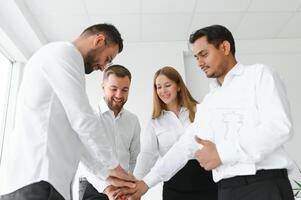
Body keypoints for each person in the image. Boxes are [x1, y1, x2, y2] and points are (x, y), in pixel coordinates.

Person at [124, 25, 295, 200]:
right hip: (225, 190)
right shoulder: (209, 102)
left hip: (263, 185)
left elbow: (279, 127)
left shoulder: (258, 75)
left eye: (204, 54)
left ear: (225, 47)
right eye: (197, 57)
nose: (199, 63)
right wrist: (145, 184)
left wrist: (222, 153)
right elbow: (184, 147)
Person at [0, 24, 136, 200]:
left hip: (46, 183)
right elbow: (83, 119)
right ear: (99, 40)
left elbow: (77, 137)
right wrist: (114, 166)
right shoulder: (64, 54)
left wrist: (107, 175)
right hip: (36, 180)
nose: (104, 67)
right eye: (107, 58)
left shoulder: (66, 62)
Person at [133, 66, 217, 200]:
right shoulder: (155, 122)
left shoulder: (198, 111)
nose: (163, 91)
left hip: (206, 181)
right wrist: (135, 184)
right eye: (158, 87)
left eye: (167, 85)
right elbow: (147, 155)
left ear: (178, 86)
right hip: (174, 186)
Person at [79, 65, 141, 200]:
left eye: (125, 90)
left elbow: (133, 157)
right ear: (103, 87)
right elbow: (83, 160)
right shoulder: (90, 116)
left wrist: (127, 184)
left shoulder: (133, 120)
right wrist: (107, 188)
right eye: (114, 89)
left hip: (122, 188)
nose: (119, 95)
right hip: (92, 185)